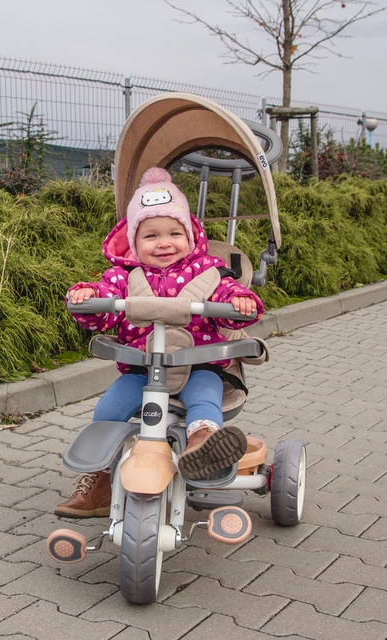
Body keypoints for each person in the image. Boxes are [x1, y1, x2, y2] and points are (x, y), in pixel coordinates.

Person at [55, 167, 263, 518]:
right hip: (141, 369)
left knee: (205, 397)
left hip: (198, 365)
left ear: (190, 235)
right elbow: (105, 304)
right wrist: (89, 297)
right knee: (108, 410)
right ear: (134, 243)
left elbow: (229, 294)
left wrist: (239, 303)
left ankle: (203, 445)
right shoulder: (124, 276)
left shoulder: (207, 270)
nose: (163, 243)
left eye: (173, 233)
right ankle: (101, 477)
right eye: (150, 236)